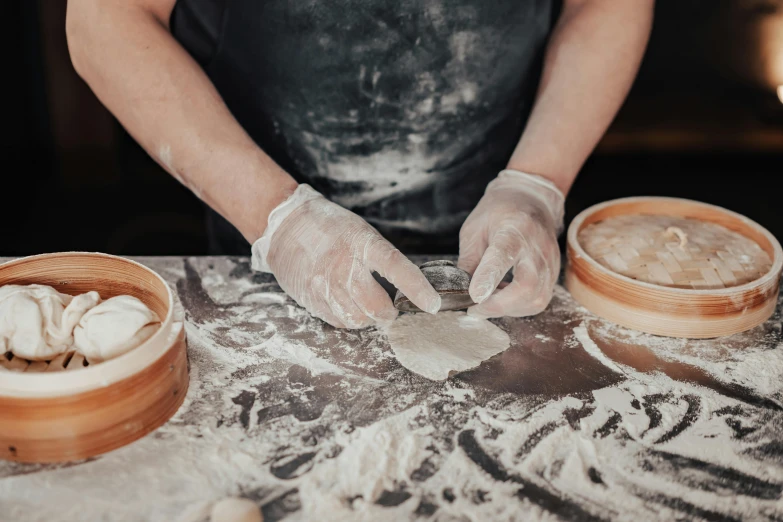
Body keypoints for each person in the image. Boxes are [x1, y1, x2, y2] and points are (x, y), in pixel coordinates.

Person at [66, 0, 654, 329]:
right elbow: (105, 20)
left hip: (499, 221)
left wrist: (536, 183)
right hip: (262, 229)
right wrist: (281, 220)